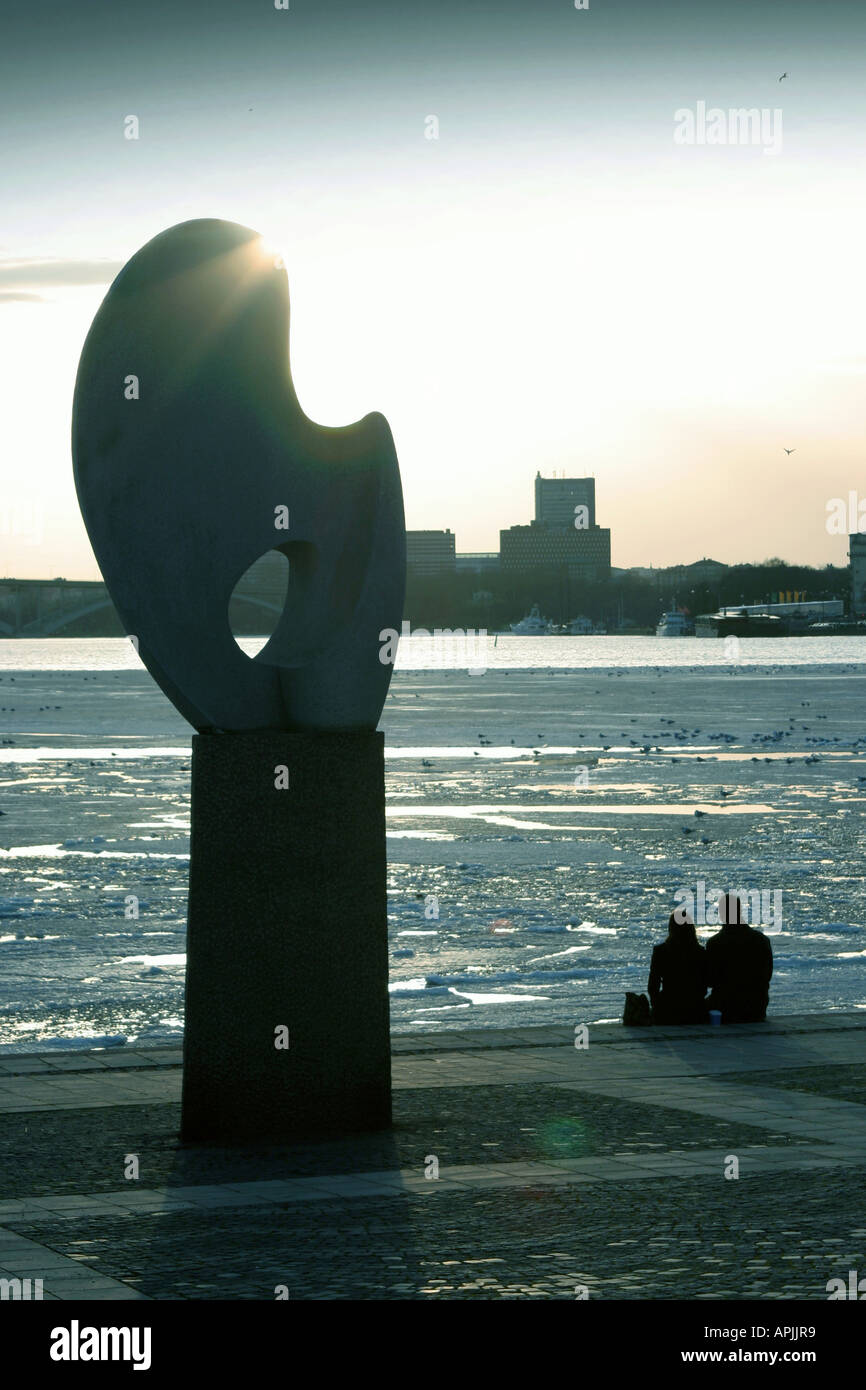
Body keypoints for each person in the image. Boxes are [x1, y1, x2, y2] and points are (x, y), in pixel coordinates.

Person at [705, 891, 773, 1023]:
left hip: (725, 1007)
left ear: (721, 913)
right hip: (756, 1008)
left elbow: (710, 980)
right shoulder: (761, 940)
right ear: (739, 910)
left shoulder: (715, 943)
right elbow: (767, 975)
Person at [648, 912, 709, 1024]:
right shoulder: (700, 952)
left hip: (668, 1008)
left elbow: (653, 985)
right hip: (696, 1010)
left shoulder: (661, 951)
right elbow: (705, 985)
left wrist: (656, 1006)